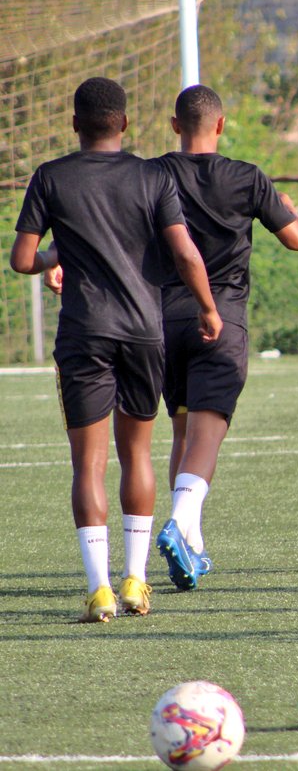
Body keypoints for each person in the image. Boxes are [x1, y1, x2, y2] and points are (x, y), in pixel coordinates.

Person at [10, 76, 221, 622]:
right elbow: (184, 254)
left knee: (88, 462)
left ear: (74, 122)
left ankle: (99, 590)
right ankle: (136, 582)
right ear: (124, 123)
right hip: (143, 332)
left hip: (83, 333)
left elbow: (21, 258)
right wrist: (208, 307)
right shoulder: (152, 175)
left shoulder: (51, 178)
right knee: (137, 455)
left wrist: (58, 256)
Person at [152, 84, 298, 590]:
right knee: (208, 432)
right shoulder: (246, 177)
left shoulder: (152, 173)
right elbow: (296, 239)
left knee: (180, 428)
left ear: (176, 126)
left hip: (160, 322)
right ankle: (180, 524)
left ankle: (192, 545)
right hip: (219, 318)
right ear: (220, 125)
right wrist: (286, 205)